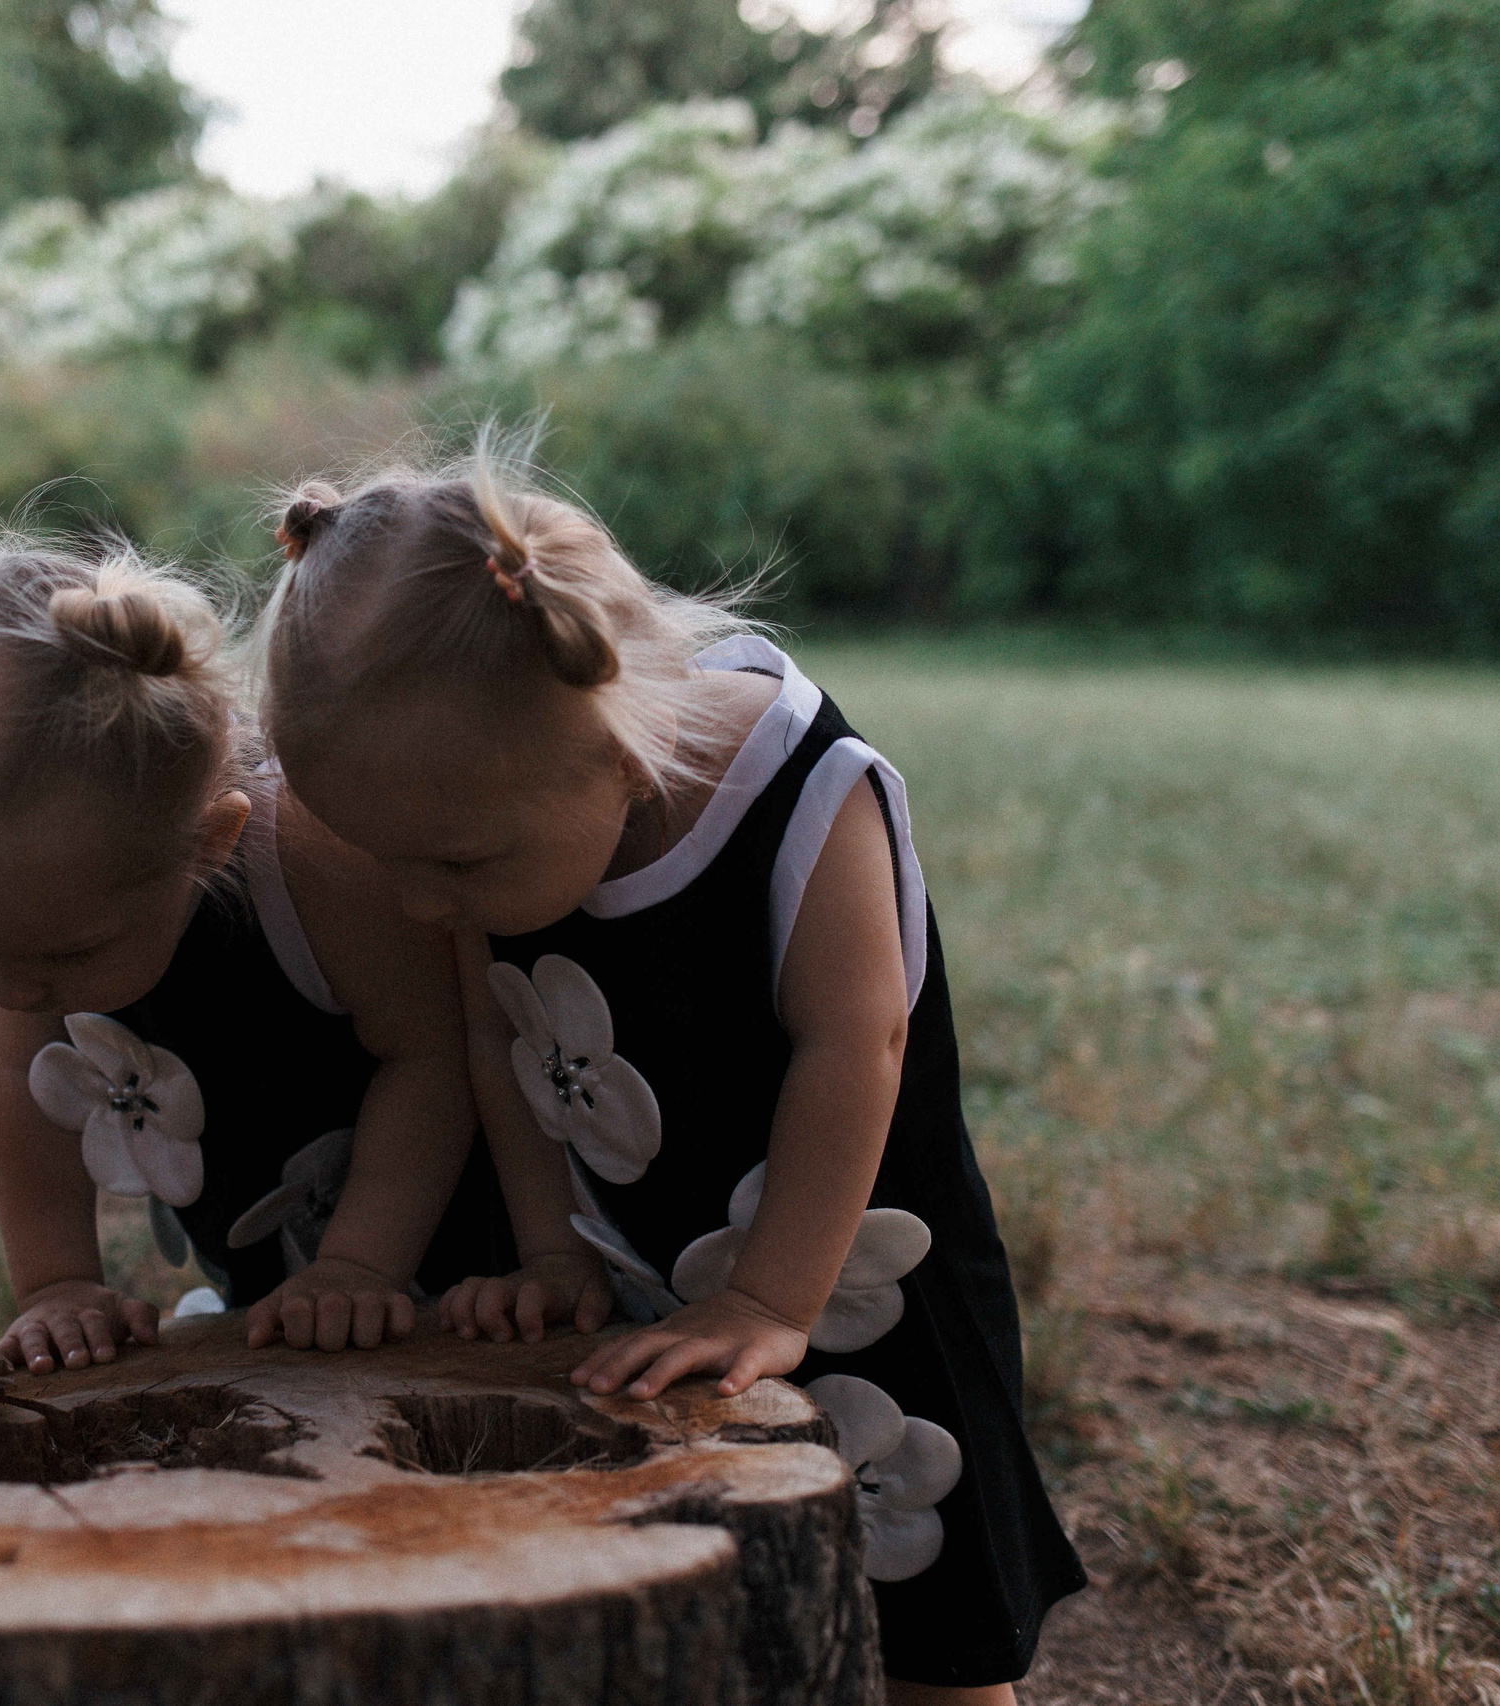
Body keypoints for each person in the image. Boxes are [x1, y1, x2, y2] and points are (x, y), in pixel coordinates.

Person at [256, 451, 1084, 1701]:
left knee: (929, 1619)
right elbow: (499, 1036)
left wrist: (768, 1299)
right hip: (663, 1274)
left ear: (619, 746)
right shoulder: (491, 809)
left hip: (866, 1284)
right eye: (387, 866)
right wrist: (554, 1249)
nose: (422, 905)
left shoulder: (799, 789)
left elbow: (857, 1045)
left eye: (453, 867)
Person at [0, 532, 511, 1377]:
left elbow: (431, 1056)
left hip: (481, 1278)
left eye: (70, 952)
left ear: (212, 842)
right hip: (275, 1306)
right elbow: (21, 1086)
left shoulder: (316, 866)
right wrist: (58, 1285)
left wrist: (359, 1267)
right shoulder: (38, 925)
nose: (13, 987)